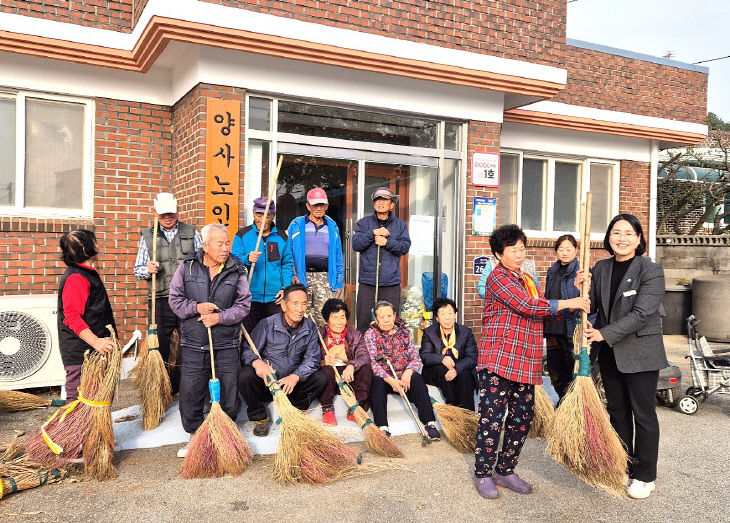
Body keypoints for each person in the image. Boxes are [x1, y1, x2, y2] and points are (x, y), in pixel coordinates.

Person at [474, 224, 589, 500]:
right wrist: (568, 302)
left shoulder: (526, 279)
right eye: (513, 250)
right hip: (499, 359)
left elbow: (544, 312)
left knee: (522, 419)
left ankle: (505, 469)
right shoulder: (497, 278)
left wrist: (571, 292)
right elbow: (528, 306)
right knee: (492, 418)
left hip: (525, 361)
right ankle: (483, 473)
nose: (519, 254)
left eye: (522, 249)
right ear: (498, 254)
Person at [584, 214, 667, 499]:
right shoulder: (602, 267)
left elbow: (642, 313)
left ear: (639, 239)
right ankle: (622, 464)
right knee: (617, 412)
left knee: (643, 415)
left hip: (641, 353)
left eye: (629, 233)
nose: (622, 238)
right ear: (608, 237)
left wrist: (604, 334)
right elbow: (591, 304)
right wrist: (580, 284)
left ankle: (645, 476)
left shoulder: (650, 270)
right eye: (616, 232)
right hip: (610, 354)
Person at [168, 224, 251, 457]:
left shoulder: (236, 269)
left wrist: (220, 318)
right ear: (205, 246)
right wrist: (197, 307)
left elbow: (244, 305)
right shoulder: (188, 267)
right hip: (194, 342)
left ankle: (226, 436)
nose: (225, 248)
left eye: (227, 243)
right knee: (191, 391)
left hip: (225, 342)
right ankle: (194, 436)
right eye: (219, 244)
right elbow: (175, 300)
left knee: (228, 391)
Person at [133, 192, 202, 393]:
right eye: (163, 214)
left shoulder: (192, 232)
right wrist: (148, 270)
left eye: (171, 213)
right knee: (160, 345)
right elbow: (137, 270)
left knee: (188, 342)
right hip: (160, 299)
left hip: (188, 299)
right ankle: (161, 387)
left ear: (177, 211)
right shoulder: (147, 235)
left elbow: (202, 262)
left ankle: (181, 383)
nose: (168, 217)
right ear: (155, 213)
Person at [238, 283, 327, 437]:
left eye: (304, 304)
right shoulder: (267, 324)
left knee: (321, 377)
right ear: (284, 305)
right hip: (267, 384)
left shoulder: (310, 327)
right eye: (295, 303)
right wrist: (257, 362)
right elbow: (247, 350)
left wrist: (296, 376)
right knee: (245, 375)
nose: (300, 309)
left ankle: (294, 412)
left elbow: (312, 359)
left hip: (291, 387)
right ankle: (260, 417)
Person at [364, 301, 440, 441]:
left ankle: (430, 423)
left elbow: (415, 358)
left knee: (417, 379)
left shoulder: (404, 332)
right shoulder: (371, 334)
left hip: (404, 375)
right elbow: (372, 363)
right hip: (385, 377)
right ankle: (382, 427)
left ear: (394, 316)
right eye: (381, 317)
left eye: (389, 315)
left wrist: (408, 372)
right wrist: (390, 379)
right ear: (376, 319)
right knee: (376, 383)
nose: (386, 320)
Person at [57, 229, 117, 403]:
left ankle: (95, 431)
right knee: (79, 403)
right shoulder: (76, 278)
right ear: (85, 249)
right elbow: (72, 317)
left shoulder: (85, 273)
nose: (98, 245)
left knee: (96, 401)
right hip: (81, 355)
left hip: (92, 352)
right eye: (94, 241)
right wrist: (96, 342)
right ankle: (70, 431)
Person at [352, 187, 411, 333]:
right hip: (368, 282)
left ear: (392, 205)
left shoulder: (400, 225)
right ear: (373, 204)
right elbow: (356, 244)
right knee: (364, 321)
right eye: (378, 200)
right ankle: (363, 353)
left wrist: (387, 243)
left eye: (385, 200)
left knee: (390, 322)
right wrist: (373, 234)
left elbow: (405, 247)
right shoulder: (364, 223)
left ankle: (390, 354)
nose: (381, 203)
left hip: (390, 282)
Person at [232, 197, 294, 332]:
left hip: (275, 298)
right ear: (254, 214)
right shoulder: (242, 235)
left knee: (275, 337)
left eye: (267, 216)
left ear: (273, 216)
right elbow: (233, 263)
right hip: (249, 296)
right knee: (249, 337)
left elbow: (287, 265)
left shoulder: (282, 237)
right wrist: (247, 259)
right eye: (258, 215)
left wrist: (285, 289)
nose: (262, 219)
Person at [288, 187, 344, 327]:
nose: (318, 208)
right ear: (308, 205)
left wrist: (338, 283)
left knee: (324, 320)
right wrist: (292, 275)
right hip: (301, 278)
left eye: (321, 204)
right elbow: (287, 254)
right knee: (299, 318)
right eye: (315, 205)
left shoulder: (332, 226)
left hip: (325, 280)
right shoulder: (296, 225)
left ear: (327, 205)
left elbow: (338, 257)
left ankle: (321, 349)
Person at [317, 298, 373, 425]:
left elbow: (364, 356)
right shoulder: (318, 335)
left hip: (348, 378)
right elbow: (309, 358)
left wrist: (352, 366)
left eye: (342, 317)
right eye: (335, 317)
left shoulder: (355, 335)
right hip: (329, 380)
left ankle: (356, 407)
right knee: (326, 370)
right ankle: (327, 408)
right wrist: (322, 362)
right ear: (327, 320)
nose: (339, 322)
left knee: (366, 369)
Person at [419, 297, 477, 411]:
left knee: (465, 375)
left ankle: (468, 417)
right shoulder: (429, 332)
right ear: (437, 317)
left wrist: (456, 368)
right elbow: (425, 355)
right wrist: (442, 358)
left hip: (459, 369)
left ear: (455, 315)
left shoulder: (466, 332)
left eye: (450, 313)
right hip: (436, 371)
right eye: (443, 314)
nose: (447, 317)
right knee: (442, 370)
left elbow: (472, 357)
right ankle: (453, 409)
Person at [543, 234, 580, 399]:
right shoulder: (552, 272)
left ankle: (570, 405)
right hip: (552, 330)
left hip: (570, 330)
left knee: (572, 371)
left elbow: (587, 303)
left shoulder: (581, 273)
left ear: (576, 250)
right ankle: (563, 401)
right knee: (555, 371)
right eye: (561, 249)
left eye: (569, 249)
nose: (564, 253)